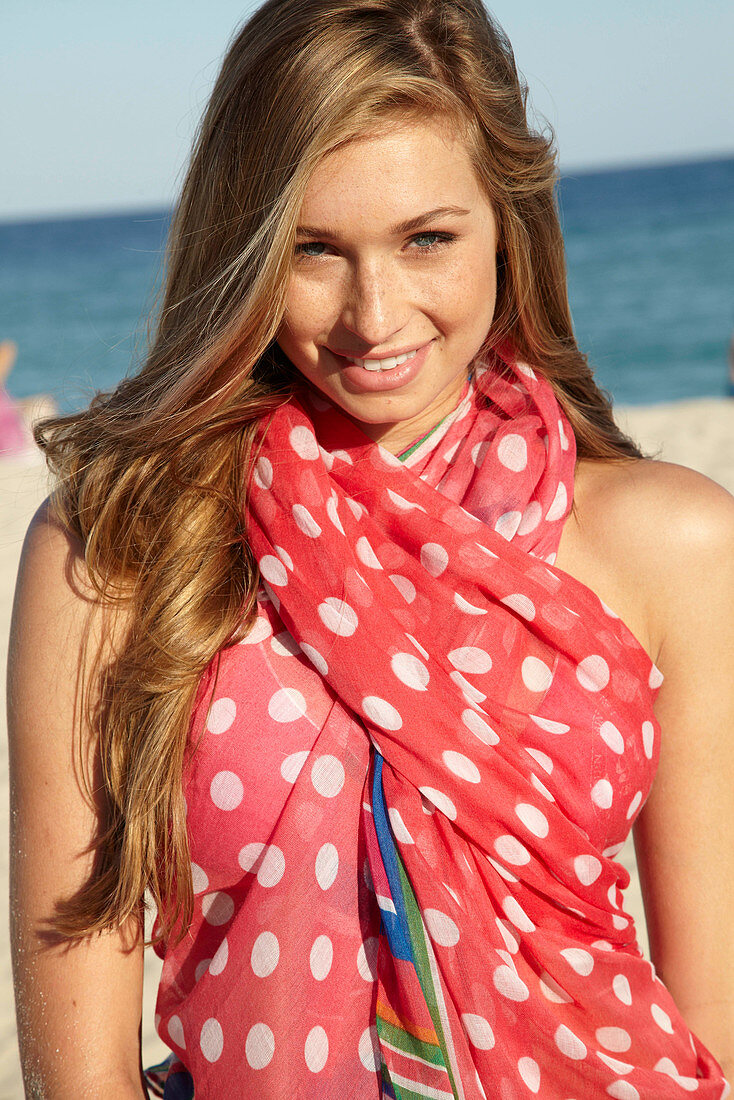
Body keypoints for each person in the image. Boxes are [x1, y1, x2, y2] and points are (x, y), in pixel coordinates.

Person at [8, 0, 734, 1096]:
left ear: (508, 224)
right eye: (312, 249)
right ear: (243, 246)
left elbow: (711, 1029)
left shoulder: (673, 543)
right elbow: (81, 1053)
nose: (373, 313)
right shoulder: (116, 547)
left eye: (425, 239)